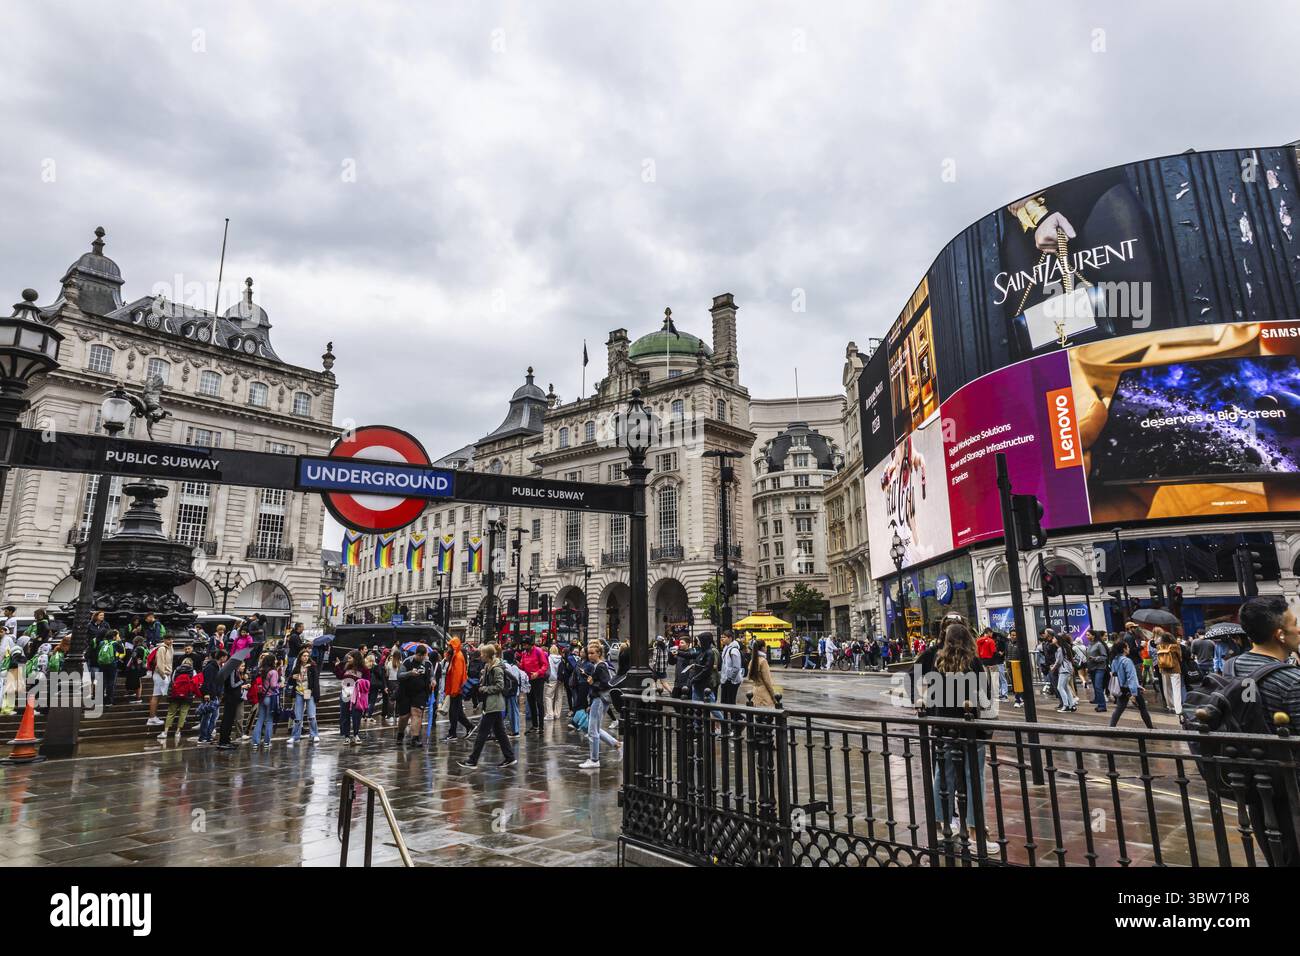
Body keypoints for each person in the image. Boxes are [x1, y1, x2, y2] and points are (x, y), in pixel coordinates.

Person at [1229, 596, 1300, 866]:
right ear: (1280, 634)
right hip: (1293, 796)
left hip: (1256, 791)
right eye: (1295, 624)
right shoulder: (1291, 681)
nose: (1299, 629)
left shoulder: (1231, 667)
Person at [924, 622, 990, 834]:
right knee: (974, 777)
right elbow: (985, 698)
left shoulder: (938, 662)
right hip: (970, 728)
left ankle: (940, 825)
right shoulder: (974, 663)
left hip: (944, 727)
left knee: (943, 776)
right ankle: (973, 828)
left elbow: (933, 697)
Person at [458, 644, 517, 769]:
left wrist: (484, 688)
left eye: (483, 654)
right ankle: (510, 757)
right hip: (491, 703)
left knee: (482, 733)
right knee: (500, 733)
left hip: (494, 704)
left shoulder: (496, 668)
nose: (481, 656)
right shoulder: (487, 666)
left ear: (487, 655)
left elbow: (499, 686)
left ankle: (473, 760)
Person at [578, 640, 621, 769]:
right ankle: (617, 744)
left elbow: (606, 684)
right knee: (595, 729)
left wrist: (592, 683)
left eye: (592, 653)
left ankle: (594, 759)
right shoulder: (599, 665)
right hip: (599, 700)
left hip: (600, 700)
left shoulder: (600, 666)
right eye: (588, 653)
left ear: (599, 653)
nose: (589, 655)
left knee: (592, 731)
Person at [1108, 639, 1153, 729]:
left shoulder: (1114, 660)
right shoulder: (1127, 661)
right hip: (1130, 689)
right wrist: (1134, 692)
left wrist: (1138, 686)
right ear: (1124, 649)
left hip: (1121, 689)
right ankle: (1150, 728)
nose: (1129, 648)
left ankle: (1111, 727)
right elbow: (1131, 677)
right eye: (1127, 647)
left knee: (1119, 709)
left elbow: (1114, 674)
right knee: (1143, 708)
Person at [396, 646, 433, 746]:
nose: (422, 658)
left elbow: (431, 676)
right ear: (416, 654)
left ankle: (415, 738)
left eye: (423, 656)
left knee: (417, 713)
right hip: (406, 692)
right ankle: (400, 734)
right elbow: (399, 675)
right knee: (404, 716)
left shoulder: (428, 664)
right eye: (420, 656)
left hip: (420, 693)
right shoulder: (407, 662)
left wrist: (433, 681)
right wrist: (410, 673)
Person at [286, 648, 320, 745]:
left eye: (307, 656)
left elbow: (316, 682)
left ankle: (314, 734)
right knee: (297, 717)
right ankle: (294, 736)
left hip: (309, 692)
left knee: (311, 715)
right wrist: (293, 677)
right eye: (303, 656)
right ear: (300, 657)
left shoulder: (312, 666)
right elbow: (290, 680)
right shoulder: (297, 667)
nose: (305, 657)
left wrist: (316, 695)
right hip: (299, 692)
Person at [443, 638, 475, 739]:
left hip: (456, 690)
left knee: (453, 712)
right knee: (458, 712)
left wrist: (454, 690)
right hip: (456, 689)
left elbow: (457, 676)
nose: (448, 648)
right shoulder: (456, 656)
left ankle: (453, 733)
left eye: (449, 646)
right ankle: (469, 727)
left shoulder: (457, 657)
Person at [335, 651, 367, 744]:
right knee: (344, 715)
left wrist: (358, 680)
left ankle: (356, 734)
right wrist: (337, 666)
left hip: (357, 695)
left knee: (356, 715)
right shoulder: (346, 667)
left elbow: (367, 681)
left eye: (350, 658)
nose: (347, 660)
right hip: (345, 694)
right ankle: (346, 736)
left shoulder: (363, 669)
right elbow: (340, 676)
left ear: (356, 658)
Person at [250, 653, 280, 749]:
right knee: (269, 720)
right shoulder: (273, 672)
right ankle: (267, 742)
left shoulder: (261, 670)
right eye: (274, 660)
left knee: (260, 719)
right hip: (270, 697)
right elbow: (273, 685)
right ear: (272, 661)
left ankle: (255, 742)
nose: (276, 661)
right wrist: (280, 685)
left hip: (262, 697)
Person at [196, 650, 226, 744]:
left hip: (215, 694)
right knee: (207, 716)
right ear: (221, 657)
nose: (226, 659)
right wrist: (207, 693)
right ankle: (203, 736)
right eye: (225, 657)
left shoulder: (218, 667)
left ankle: (208, 736)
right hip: (210, 694)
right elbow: (207, 681)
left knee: (214, 716)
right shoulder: (211, 667)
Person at [146, 630, 175, 726]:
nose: (170, 641)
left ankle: (153, 717)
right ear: (164, 640)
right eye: (168, 639)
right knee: (156, 696)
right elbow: (159, 663)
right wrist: (163, 675)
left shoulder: (170, 648)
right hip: (161, 675)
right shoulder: (162, 649)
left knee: (158, 696)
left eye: (171, 639)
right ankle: (152, 718)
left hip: (165, 674)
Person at [1156, 631, 1184, 716]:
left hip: (1163, 670)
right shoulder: (1175, 647)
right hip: (1174, 669)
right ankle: (1178, 709)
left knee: (1167, 688)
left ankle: (1170, 706)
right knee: (1176, 689)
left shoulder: (1159, 646)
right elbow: (1180, 657)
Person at [95, 628, 125, 706]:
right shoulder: (115, 643)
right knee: (111, 682)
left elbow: (98, 651)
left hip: (102, 664)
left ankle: (100, 701)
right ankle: (109, 701)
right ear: (114, 636)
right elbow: (122, 651)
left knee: (102, 682)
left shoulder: (102, 643)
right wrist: (119, 641)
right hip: (112, 664)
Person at [746, 639, 778, 708]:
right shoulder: (763, 661)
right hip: (764, 694)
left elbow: (749, 676)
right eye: (765, 647)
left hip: (755, 692)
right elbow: (767, 681)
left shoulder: (752, 660)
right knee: (767, 715)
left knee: (758, 716)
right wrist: (773, 697)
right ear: (763, 648)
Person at [86, 610, 110, 695]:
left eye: (103, 615)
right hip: (93, 651)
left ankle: (101, 690)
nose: (102, 617)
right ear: (96, 616)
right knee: (93, 673)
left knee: (101, 673)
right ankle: (93, 691)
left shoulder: (105, 625)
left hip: (103, 650)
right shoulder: (90, 625)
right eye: (100, 615)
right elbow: (86, 636)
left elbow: (109, 634)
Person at [1086, 632, 1111, 712]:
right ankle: (1098, 701)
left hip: (1100, 668)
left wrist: (1095, 658)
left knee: (1098, 686)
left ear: (1093, 636)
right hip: (1092, 668)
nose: (1087, 636)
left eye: (1088, 635)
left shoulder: (1099, 644)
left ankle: (1102, 705)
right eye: (1086, 635)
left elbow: (1104, 657)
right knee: (1095, 686)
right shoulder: (1090, 645)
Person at [1053, 635, 1078, 712]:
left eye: (1054, 638)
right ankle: (1072, 705)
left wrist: (1053, 667)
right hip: (1068, 669)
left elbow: (1059, 661)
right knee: (1066, 688)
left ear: (1058, 640)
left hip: (1064, 670)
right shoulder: (1065, 648)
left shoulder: (1060, 649)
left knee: (1060, 687)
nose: (1053, 639)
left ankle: (1066, 705)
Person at [719, 631, 743, 705]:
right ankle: (731, 716)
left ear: (730, 638)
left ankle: (736, 716)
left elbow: (736, 667)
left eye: (724, 637)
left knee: (730, 702)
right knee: (724, 702)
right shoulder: (726, 648)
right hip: (725, 679)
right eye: (721, 637)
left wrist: (730, 679)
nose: (722, 639)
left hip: (731, 681)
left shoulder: (734, 650)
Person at [545, 643, 564, 720]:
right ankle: (557, 714)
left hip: (551, 679)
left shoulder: (548, 658)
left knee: (549, 696)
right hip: (560, 679)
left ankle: (550, 714)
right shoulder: (561, 658)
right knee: (559, 697)